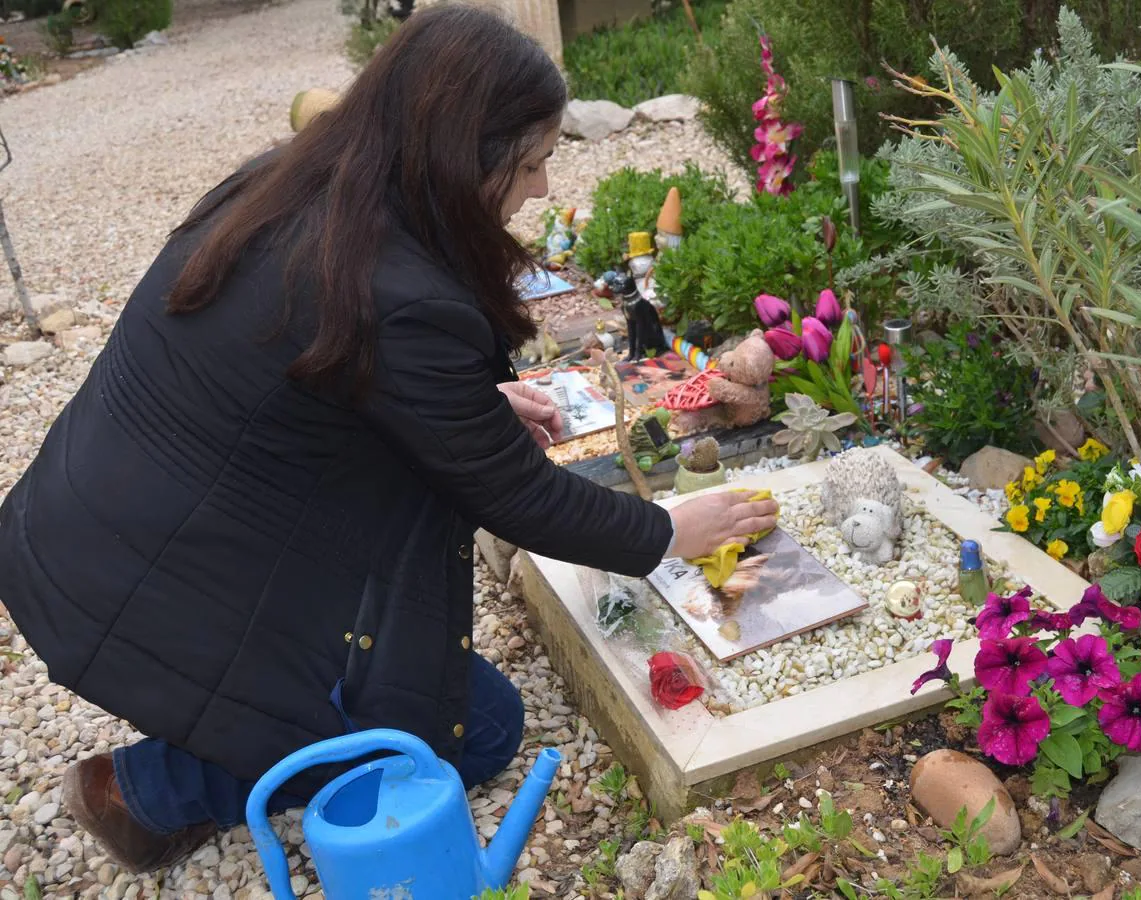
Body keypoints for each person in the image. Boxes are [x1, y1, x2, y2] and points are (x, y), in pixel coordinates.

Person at [0, 4, 777, 874]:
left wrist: (474, 406)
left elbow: (320, 381)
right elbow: (516, 496)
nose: (542, 191)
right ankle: (146, 792)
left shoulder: (296, 184)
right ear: (461, 155)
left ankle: (205, 740)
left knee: (436, 694)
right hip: (158, 587)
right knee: (480, 731)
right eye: (532, 163)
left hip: (92, 531)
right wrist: (669, 532)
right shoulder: (398, 292)